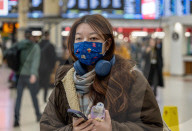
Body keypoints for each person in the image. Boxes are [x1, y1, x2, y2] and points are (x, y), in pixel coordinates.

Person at [40, 14, 163, 131]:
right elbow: (47, 126)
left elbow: (153, 127)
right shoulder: (65, 81)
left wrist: (112, 128)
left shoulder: (132, 79)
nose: (85, 43)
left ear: (107, 44)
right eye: (79, 38)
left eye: (93, 38)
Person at [11, 29, 42, 127]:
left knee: (18, 98)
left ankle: (16, 120)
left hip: (19, 75)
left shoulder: (18, 45)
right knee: (34, 97)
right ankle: (38, 115)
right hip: (29, 75)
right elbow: (35, 61)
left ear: (24, 36)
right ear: (31, 37)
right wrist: (33, 74)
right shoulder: (35, 47)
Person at [38, 31, 56, 102]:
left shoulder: (39, 45)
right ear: (48, 36)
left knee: (39, 82)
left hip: (40, 67)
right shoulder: (51, 46)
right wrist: (52, 67)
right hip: (47, 67)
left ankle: (36, 95)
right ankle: (44, 98)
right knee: (46, 83)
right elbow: (53, 58)